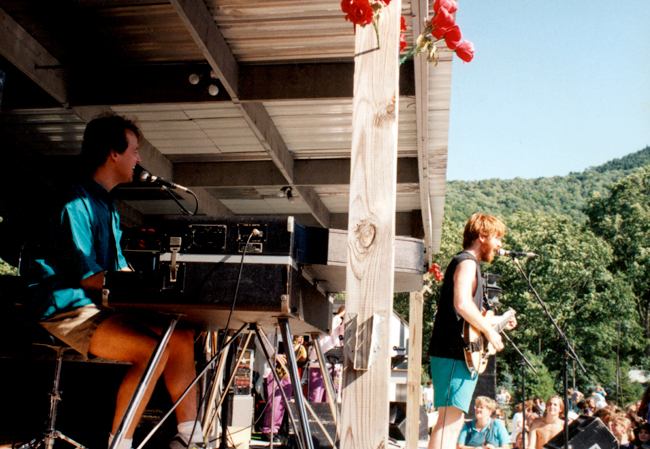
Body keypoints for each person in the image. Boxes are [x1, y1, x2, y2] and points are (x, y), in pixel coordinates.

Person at [25, 115, 203, 449]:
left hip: (98, 304)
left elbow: (120, 275)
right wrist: (149, 288)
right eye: (134, 150)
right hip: (64, 306)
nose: (139, 159)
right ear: (113, 154)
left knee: (180, 333)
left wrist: (159, 291)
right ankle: (119, 443)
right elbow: (89, 276)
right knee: (151, 352)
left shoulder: (108, 206)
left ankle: (191, 438)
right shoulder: (74, 202)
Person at [426, 214, 517, 449]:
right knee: (448, 423)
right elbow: (462, 304)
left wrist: (499, 321)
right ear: (481, 236)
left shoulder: (471, 264)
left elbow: (469, 318)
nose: (499, 245)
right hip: (453, 353)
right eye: (496, 238)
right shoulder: (466, 262)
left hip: (460, 355)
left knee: (454, 423)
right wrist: (490, 331)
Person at [307, 305, 345, 403]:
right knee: (316, 396)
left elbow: (343, 332)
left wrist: (345, 318)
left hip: (334, 365)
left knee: (332, 397)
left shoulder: (336, 321)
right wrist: (339, 315)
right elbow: (325, 330)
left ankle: (331, 417)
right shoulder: (317, 321)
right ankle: (314, 417)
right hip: (318, 364)